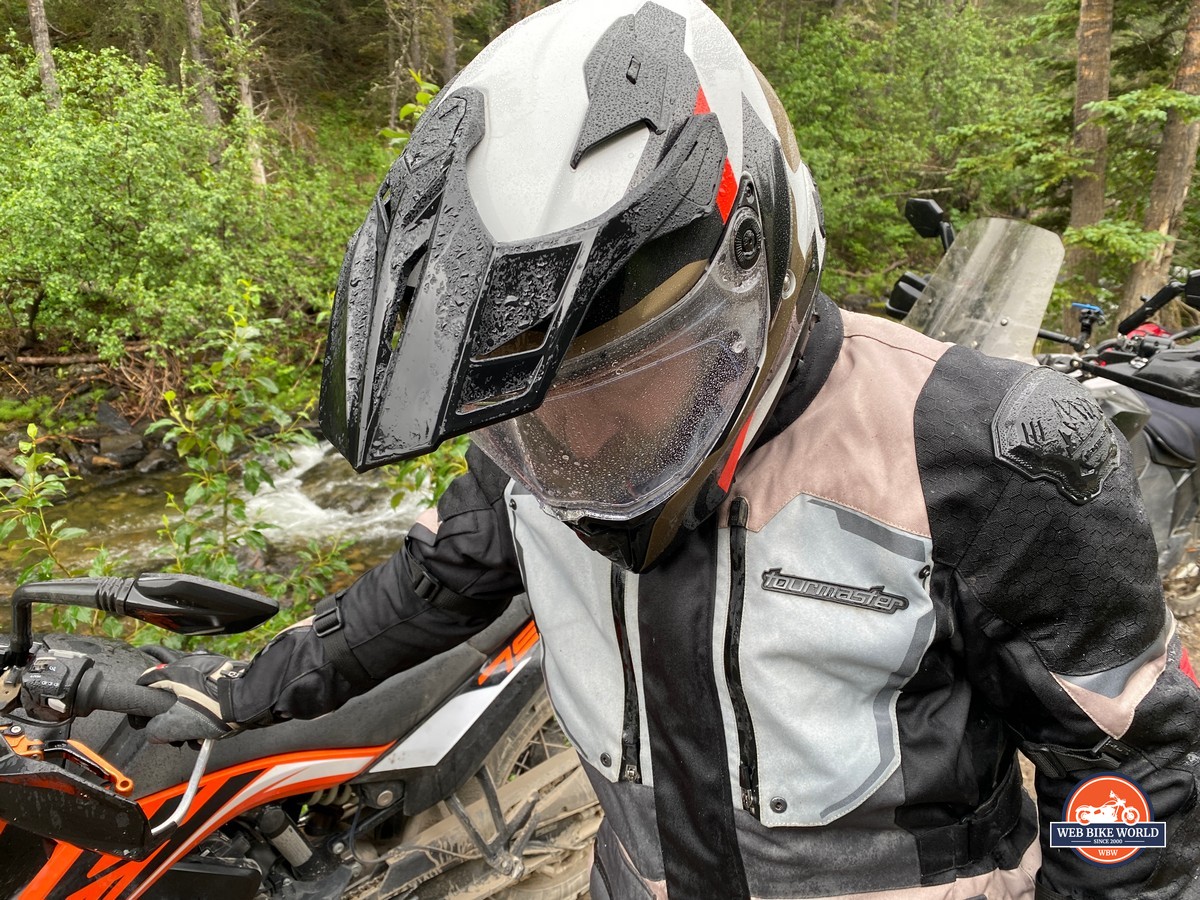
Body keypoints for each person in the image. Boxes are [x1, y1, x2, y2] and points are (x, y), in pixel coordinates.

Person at [135, 1, 1200, 897]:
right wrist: (233, 693)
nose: (580, 442)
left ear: (758, 263)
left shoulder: (976, 450)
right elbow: (432, 586)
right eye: (536, 409)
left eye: (634, 373)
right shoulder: (537, 447)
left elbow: (1127, 763)